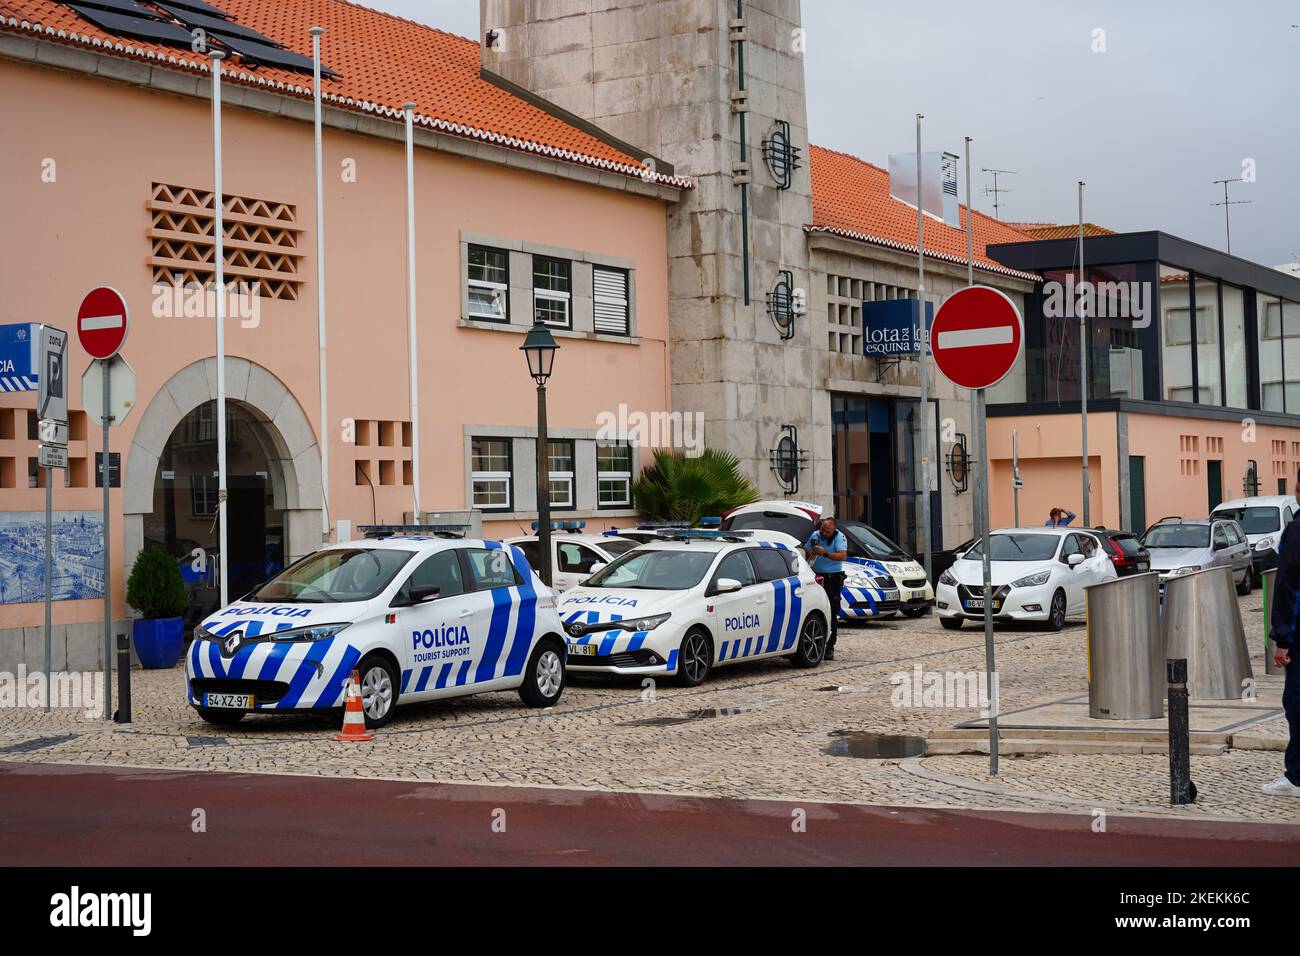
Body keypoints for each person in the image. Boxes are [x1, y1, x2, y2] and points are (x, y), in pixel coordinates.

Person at [1263, 470, 1300, 797]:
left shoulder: (1296, 531)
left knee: (1297, 703)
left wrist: (1283, 639)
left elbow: (1287, 586)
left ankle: (1296, 778)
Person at [803, 515, 848, 660]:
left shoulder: (839, 537)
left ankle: (830, 646)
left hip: (832, 577)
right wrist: (810, 552)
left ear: (833, 531)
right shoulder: (815, 535)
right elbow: (805, 550)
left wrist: (826, 553)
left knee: (831, 611)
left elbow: (842, 556)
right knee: (813, 609)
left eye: (827, 532)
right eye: (822, 530)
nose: (823, 533)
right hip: (815, 574)